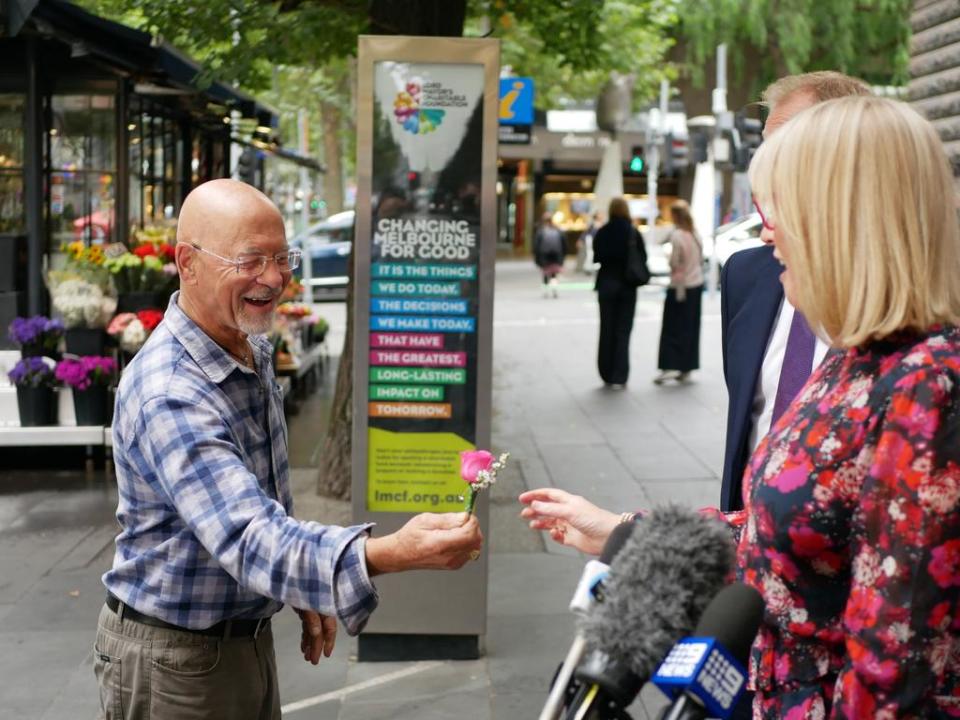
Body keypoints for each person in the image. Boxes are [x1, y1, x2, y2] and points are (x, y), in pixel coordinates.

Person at [525, 95, 960, 717]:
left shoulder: (928, 384)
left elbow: (899, 668)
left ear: (847, 221)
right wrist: (627, 531)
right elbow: (788, 532)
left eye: (781, 208)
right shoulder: (855, 358)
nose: (765, 231)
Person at [96, 179, 483, 720]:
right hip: (174, 663)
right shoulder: (171, 391)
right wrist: (392, 552)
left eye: (283, 258)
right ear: (188, 262)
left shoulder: (247, 345)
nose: (275, 279)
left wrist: (301, 586)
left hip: (237, 642)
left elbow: (264, 503)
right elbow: (250, 536)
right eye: (251, 260)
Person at [720, 71, 872, 511]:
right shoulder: (746, 276)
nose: (766, 171)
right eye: (766, 152)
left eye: (788, 154)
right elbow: (746, 430)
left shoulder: (923, 341)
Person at [593, 197, 646, 388]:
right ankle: (620, 374)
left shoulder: (603, 232)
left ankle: (605, 372)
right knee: (623, 330)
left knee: (606, 328)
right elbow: (642, 257)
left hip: (607, 284)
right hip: (627, 286)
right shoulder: (633, 232)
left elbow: (597, 256)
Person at [654, 200, 704, 384]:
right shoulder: (696, 235)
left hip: (679, 287)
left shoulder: (677, 236)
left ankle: (669, 365)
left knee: (672, 327)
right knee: (691, 327)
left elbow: (674, 262)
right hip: (696, 285)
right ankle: (687, 366)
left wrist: (670, 260)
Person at [533, 211, 565, 297]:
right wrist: (563, 256)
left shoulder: (541, 231)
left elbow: (536, 246)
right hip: (556, 255)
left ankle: (545, 291)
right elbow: (564, 244)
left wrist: (537, 258)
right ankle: (554, 289)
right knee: (554, 274)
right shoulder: (558, 230)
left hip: (544, 255)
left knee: (545, 274)